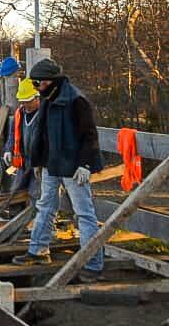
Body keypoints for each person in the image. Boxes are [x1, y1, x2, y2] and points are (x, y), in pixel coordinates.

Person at [12, 58, 105, 283]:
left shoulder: (75, 100)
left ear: (51, 81)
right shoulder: (48, 98)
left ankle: (92, 263)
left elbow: (89, 135)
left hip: (73, 166)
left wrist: (85, 164)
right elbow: (42, 134)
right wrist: (38, 161)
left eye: (38, 84)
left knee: (84, 213)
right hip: (52, 164)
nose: (36, 88)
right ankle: (38, 251)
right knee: (45, 206)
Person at [3, 78, 42, 200]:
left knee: (36, 194)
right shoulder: (20, 113)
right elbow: (13, 133)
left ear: (37, 97)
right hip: (22, 161)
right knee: (16, 192)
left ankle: (37, 218)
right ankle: (15, 217)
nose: (25, 105)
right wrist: (8, 150)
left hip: (40, 162)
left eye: (28, 101)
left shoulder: (45, 114)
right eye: (23, 101)